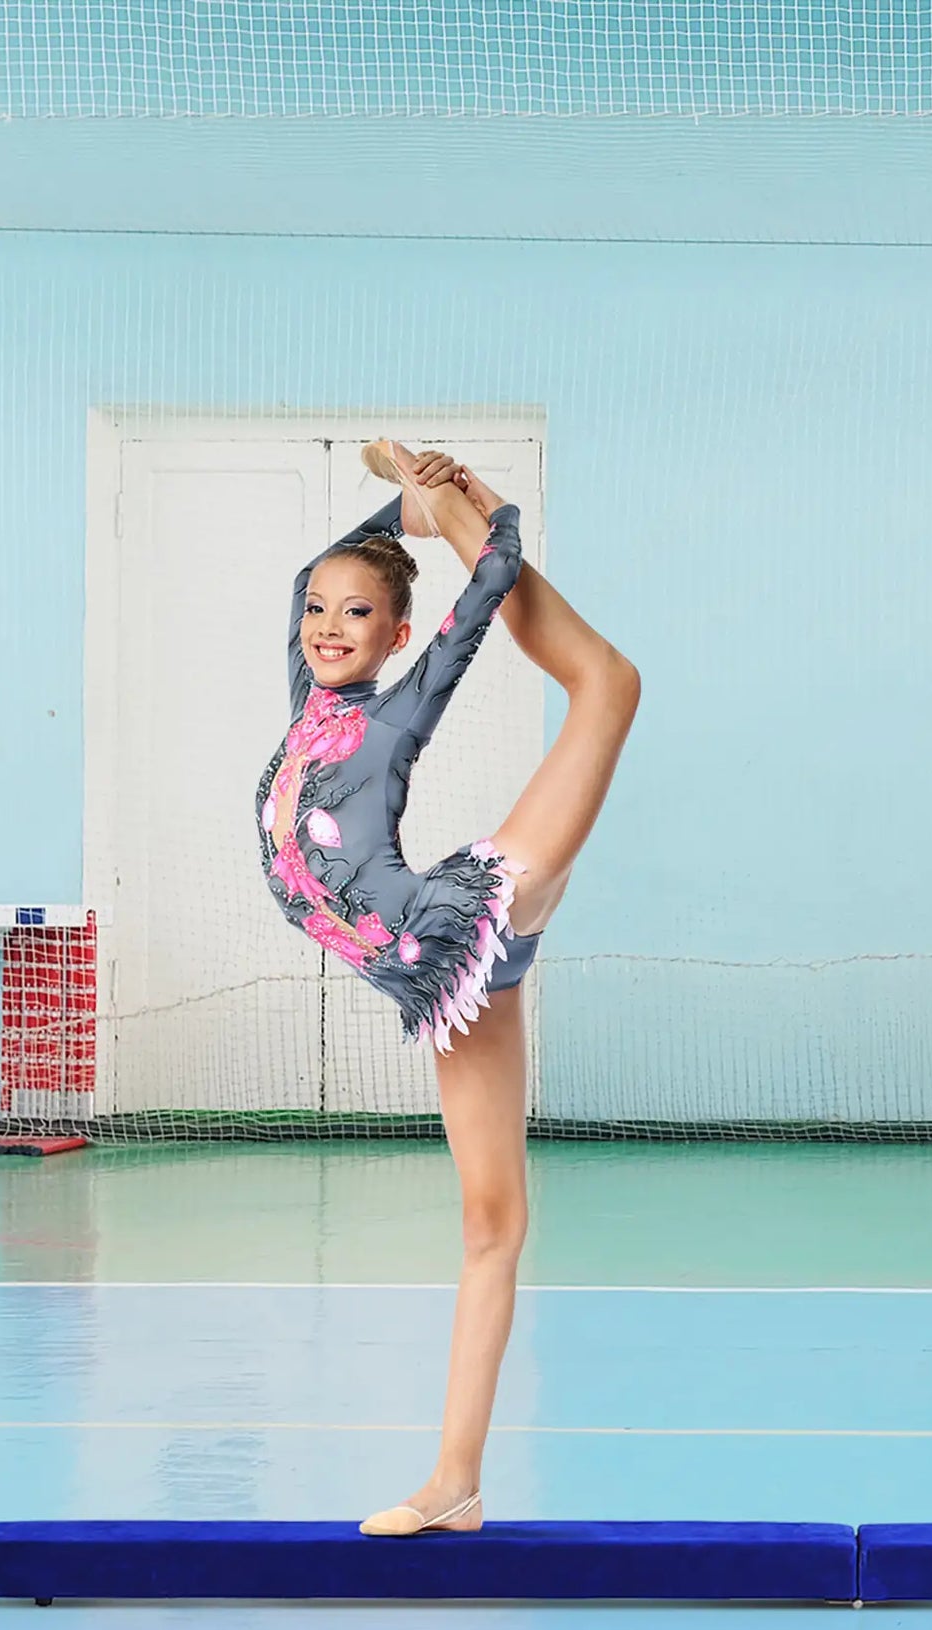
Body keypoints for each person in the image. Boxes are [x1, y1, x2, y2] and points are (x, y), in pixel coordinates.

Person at [254, 439, 640, 1535]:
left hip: (458, 926)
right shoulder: (307, 707)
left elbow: (481, 601)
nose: (328, 626)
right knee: (491, 1224)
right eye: (320, 610)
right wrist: (399, 500)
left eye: (358, 614)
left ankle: (450, 1480)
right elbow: (315, 577)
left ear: (394, 634)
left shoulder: (390, 716)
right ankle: (455, 1485)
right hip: (437, 983)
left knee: (608, 686)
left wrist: (476, 511)